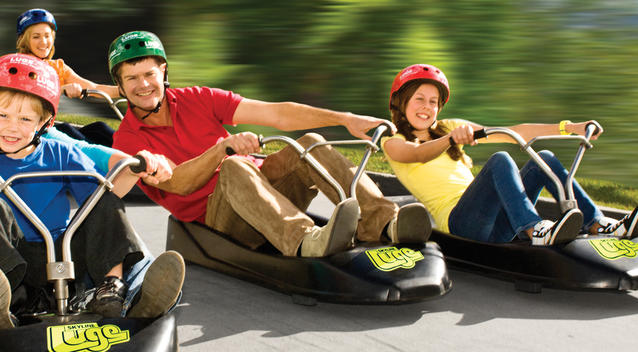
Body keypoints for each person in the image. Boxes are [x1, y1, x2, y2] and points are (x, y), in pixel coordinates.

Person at [108, 31, 433, 258]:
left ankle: (386, 221)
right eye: (132, 78)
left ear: (163, 71)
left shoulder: (197, 98)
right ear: (119, 85)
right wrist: (223, 149)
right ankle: (306, 241)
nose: (143, 85)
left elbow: (277, 114)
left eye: (149, 74)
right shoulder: (127, 140)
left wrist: (344, 118)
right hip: (222, 222)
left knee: (311, 144)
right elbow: (176, 183)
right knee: (233, 165)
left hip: (264, 188)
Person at [0, 54, 184, 330]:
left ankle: (111, 288)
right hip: (14, 264)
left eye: (25, 118)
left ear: (44, 121)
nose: (12, 126)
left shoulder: (61, 152)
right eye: (3, 115)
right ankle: (4, 299)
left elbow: (103, 199)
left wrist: (135, 169)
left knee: (103, 200)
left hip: (64, 255)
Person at [380, 64, 638, 246]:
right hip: (462, 225)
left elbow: (513, 131)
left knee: (544, 157)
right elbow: (416, 154)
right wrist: (450, 139)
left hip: (499, 223)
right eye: (419, 99)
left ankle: (598, 223)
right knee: (500, 160)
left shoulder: (449, 127)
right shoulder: (394, 142)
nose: (427, 107)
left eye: (433, 102)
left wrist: (569, 127)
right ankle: (535, 229)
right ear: (401, 102)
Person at [15, 8, 137, 180]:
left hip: (51, 127)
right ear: (25, 40)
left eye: (47, 35)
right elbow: (25, 96)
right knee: (75, 137)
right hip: (35, 133)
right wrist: (61, 89)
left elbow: (94, 87)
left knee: (100, 129)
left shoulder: (57, 67)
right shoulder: (17, 66)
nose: (44, 41)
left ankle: (135, 158)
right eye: (36, 37)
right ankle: (109, 173)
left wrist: (128, 89)